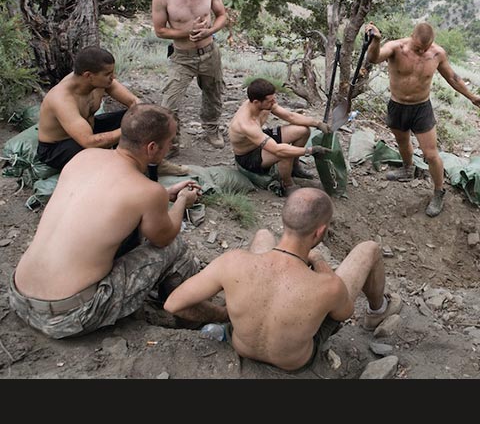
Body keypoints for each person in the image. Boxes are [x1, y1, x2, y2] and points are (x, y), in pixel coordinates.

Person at [9, 103, 227, 339]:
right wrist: (183, 200)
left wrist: (167, 193)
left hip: (19, 297)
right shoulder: (147, 191)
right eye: (170, 142)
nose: (171, 147)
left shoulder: (84, 157)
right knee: (175, 249)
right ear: (152, 148)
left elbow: (106, 202)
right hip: (68, 315)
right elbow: (165, 237)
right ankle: (191, 312)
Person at [163, 187, 403, 373]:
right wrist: (318, 260)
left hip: (242, 345)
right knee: (369, 249)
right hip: (295, 362)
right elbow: (342, 314)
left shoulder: (232, 261)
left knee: (263, 236)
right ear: (319, 232)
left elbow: (174, 304)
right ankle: (377, 311)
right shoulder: (328, 286)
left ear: (284, 220)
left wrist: (223, 315)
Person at [364, 21, 480, 217]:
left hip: (422, 108)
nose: (422, 52)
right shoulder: (396, 47)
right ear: (412, 37)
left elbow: (453, 78)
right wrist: (376, 41)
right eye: (419, 48)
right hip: (397, 106)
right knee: (402, 142)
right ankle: (407, 169)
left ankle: (439, 191)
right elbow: (373, 58)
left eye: (426, 48)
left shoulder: (437, 54)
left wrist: (471, 96)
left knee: (430, 154)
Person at [35, 46, 187, 176]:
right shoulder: (62, 99)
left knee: (139, 118)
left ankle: (155, 163)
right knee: (110, 158)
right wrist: (130, 130)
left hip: (89, 131)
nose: (113, 77)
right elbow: (89, 142)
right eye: (108, 74)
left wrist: (146, 119)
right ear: (88, 75)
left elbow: (134, 102)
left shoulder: (100, 81)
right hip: (59, 147)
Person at [151, 0, 229, 155]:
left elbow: (222, 15)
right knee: (170, 103)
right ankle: (172, 142)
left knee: (213, 93)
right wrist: (189, 32)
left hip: (209, 52)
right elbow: (160, 30)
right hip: (182, 57)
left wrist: (209, 31)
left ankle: (211, 129)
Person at [228, 78, 332, 192]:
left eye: (274, 99)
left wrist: (317, 123)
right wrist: (310, 151)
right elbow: (278, 150)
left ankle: (294, 167)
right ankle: (287, 185)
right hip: (249, 156)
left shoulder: (265, 103)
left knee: (303, 131)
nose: (274, 102)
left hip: (260, 136)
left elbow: (290, 116)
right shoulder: (246, 124)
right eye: (270, 101)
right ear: (256, 102)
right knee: (285, 154)